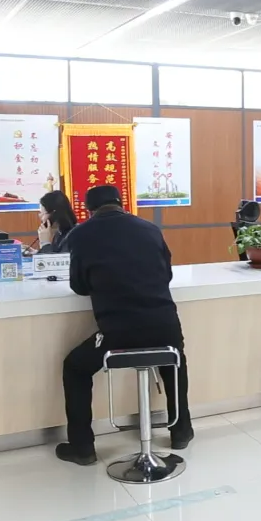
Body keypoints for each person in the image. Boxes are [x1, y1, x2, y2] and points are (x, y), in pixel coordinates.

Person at [56, 185, 193, 466]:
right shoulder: (149, 228)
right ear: (121, 203)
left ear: (89, 210)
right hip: (165, 324)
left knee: (75, 367)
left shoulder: (80, 235)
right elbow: (166, 274)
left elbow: (79, 286)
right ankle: (181, 431)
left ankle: (82, 447)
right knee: (173, 360)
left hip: (118, 333)